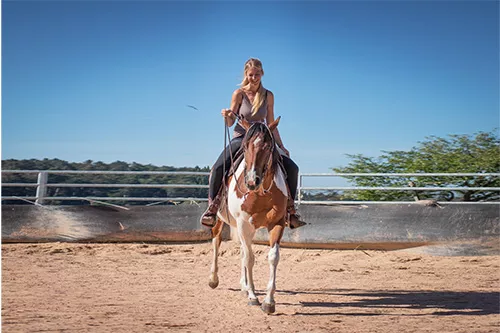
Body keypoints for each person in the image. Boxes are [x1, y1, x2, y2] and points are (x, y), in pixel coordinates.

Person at [200, 58, 306, 229]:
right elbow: (230, 122)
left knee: (292, 168)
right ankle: (212, 208)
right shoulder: (239, 94)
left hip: (263, 138)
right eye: (251, 75)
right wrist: (227, 115)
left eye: (257, 74)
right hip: (241, 138)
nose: (254, 78)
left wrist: (281, 146)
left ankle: (290, 210)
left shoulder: (268, 95)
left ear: (262, 74)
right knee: (217, 168)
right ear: (246, 75)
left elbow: (271, 123)